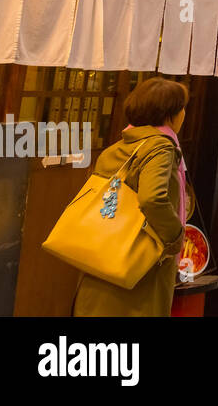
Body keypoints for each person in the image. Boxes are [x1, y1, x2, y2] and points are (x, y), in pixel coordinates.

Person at [73, 77, 191, 317]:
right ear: (170, 114)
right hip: (139, 268)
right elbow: (153, 198)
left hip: (101, 259)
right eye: (181, 108)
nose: (184, 114)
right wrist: (175, 237)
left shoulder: (119, 146)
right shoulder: (160, 148)